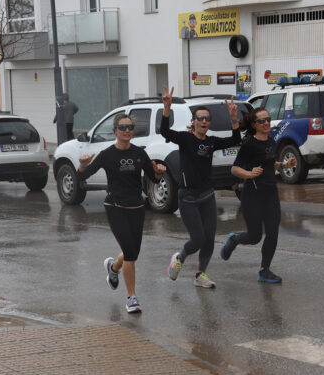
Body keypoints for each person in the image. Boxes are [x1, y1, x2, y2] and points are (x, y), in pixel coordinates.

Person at [77, 113, 166, 313]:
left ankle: (113, 267)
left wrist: (159, 172)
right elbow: (82, 176)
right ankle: (131, 297)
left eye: (130, 128)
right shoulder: (107, 154)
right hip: (116, 207)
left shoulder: (139, 153)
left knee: (132, 252)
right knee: (130, 253)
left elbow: (154, 178)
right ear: (115, 131)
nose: (127, 131)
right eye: (123, 128)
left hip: (137, 208)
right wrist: (82, 166)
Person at [162, 86, 240, 288]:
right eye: (200, 118)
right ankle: (179, 257)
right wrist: (167, 109)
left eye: (207, 119)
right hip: (187, 196)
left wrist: (234, 119)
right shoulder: (185, 139)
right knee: (197, 239)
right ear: (194, 121)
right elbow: (164, 131)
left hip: (206, 195)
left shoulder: (212, 141)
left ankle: (200, 275)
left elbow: (235, 140)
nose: (204, 121)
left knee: (209, 239)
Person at [220, 107, 297, 283]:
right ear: (254, 124)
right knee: (254, 237)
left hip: (270, 194)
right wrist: (249, 174)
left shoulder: (271, 141)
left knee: (272, 233)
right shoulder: (249, 145)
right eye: (262, 121)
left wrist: (284, 165)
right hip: (252, 195)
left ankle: (264, 270)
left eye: (268, 119)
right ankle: (234, 239)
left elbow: (269, 163)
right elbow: (234, 169)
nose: (266, 123)